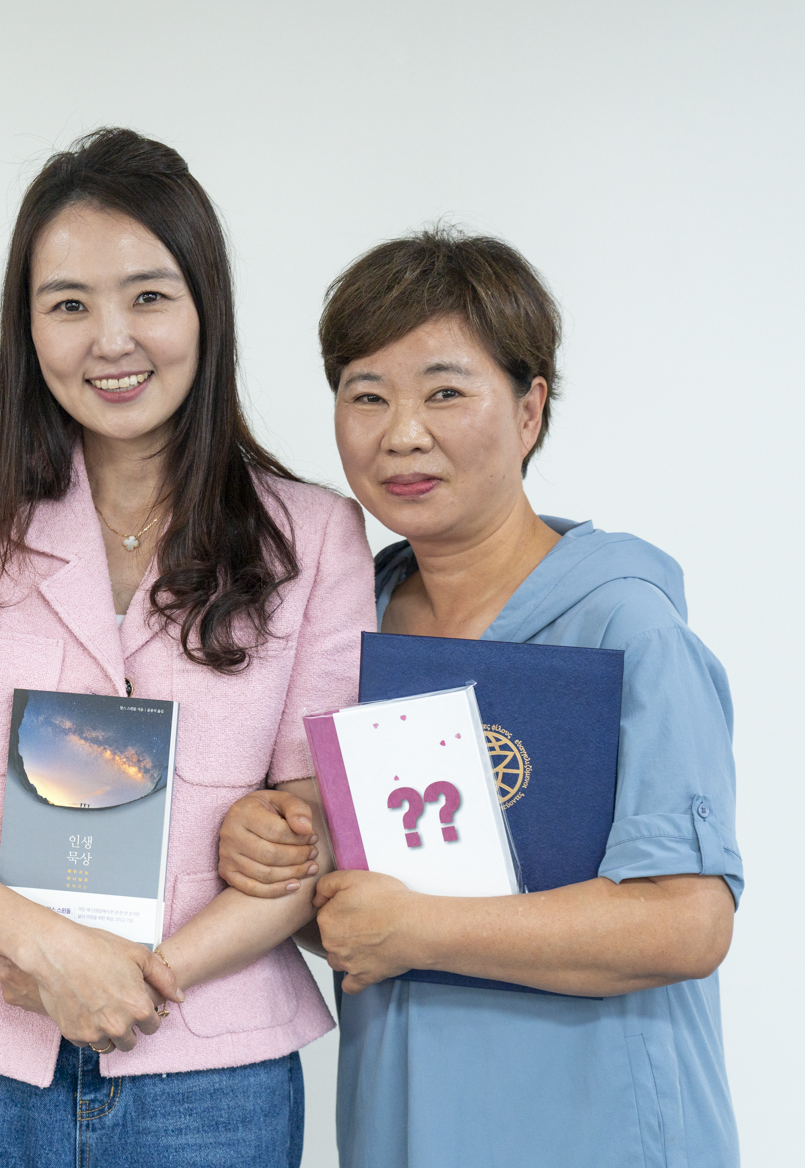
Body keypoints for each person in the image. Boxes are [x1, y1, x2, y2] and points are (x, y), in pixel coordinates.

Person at [0, 128, 374, 1167]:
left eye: (149, 296)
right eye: (68, 305)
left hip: (212, 1069)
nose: (111, 340)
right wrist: (49, 952)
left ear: (207, 308)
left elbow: (314, 832)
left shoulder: (315, 536)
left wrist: (147, 978)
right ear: (26, 329)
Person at [216, 228, 742, 1167]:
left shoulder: (625, 625)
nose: (401, 434)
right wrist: (274, 843)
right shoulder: (352, 621)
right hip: (407, 1123)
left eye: (445, 392)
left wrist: (420, 929)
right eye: (366, 395)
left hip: (599, 1133)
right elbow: (355, 902)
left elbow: (687, 921)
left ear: (530, 409)